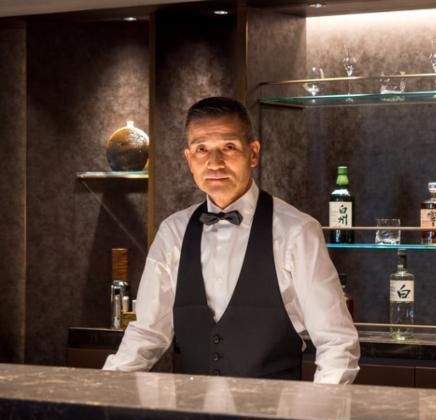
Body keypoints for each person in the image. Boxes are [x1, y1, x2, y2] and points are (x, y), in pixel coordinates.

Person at [103, 96, 360, 384]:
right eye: (202, 149)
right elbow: (146, 334)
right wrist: (103, 393)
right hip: (189, 409)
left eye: (228, 147)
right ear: (189, 159)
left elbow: (337, 343)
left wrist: (319, 408)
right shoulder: (173, 232)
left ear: (253, 153)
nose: (215, 163)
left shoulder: (297, 231)